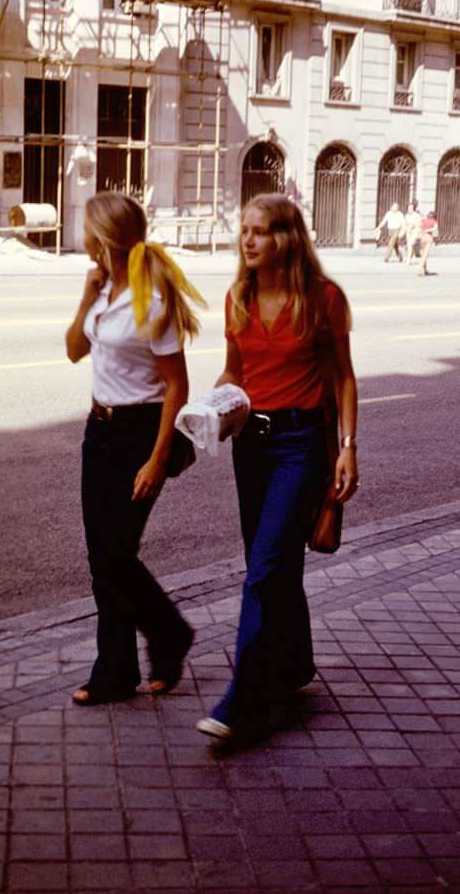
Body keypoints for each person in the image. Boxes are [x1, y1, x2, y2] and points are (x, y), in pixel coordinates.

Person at [196, 193, 359, 742]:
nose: (247, 240)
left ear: (286, 238)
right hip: (252, 444)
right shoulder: (236, 297)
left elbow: (344, 377)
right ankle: (293, 667)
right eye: (245, 229)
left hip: (301, 443)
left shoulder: (323, 298)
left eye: (260, 231)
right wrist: (212, 405)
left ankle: (245, 701)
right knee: (273, 566)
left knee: (263, 571)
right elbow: (233, 372)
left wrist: (348, 446)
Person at [65, 192, 206, 705]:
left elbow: (177, 387)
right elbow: (74, 350)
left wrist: (158, 457)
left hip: (140, 434)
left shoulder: (154, 301)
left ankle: (168, 634)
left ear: (103, 238)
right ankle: (119, 669)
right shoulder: (102, 292)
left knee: (114, 555)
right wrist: (86, 297)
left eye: (85, 229)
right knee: (102, 558)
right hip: (98, 432)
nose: (81, 237)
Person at [418, 210, 439, 277]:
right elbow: (435, 228)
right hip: (429, 238)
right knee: (425, 255)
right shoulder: (434, 221)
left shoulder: (424, 220)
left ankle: (425, 270)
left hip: (422, 237)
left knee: (422, 254)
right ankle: (420, 270)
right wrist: (429, 230)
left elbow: (419, 226)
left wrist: (423, 230)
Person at [404, 200, 422, 265]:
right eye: (409, 208)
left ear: (413, 209)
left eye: (411, 208)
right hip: (408, 232)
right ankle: (413, 257)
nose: (410, 209)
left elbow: (420, 224)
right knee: (411, 245)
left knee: (410, 244)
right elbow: (405, 224)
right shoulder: (406, 216)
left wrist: (414, 225)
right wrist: (406, 230)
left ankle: (408, 259)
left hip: (415, 232)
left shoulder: (416, 215)